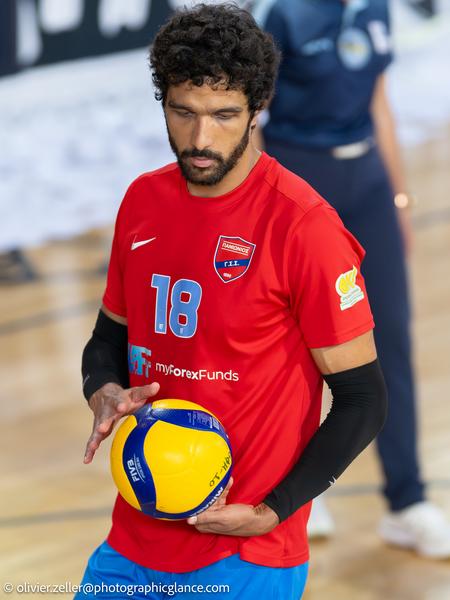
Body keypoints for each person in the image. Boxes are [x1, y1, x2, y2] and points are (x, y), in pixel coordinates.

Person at [77, 5, 388, 599]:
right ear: (163, 102)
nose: (201, 139)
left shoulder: (303, 228)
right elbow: (107, 339)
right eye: (183, 112)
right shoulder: (142, 201)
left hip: (245, 554)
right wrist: (104, 388)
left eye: (224, 115)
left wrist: (275, 510)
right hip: (133, 537)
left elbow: (363, 399)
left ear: (257, 107)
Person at [253, 0, 450, 557]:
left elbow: (378, 101)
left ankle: (407, 501)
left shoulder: (376, 8)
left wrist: (399, 200)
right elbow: (252, 118)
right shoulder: (282, 14)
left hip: (367, 185)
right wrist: (262, 209)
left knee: (391, 339)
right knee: (295, 347)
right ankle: (302, 492)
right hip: (300, 181)